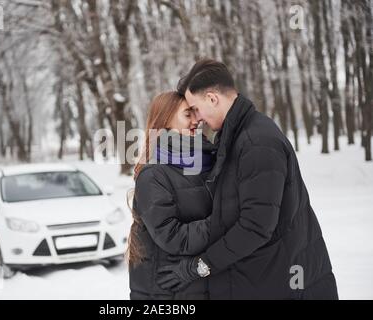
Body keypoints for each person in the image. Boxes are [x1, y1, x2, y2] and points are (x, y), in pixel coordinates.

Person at [156, 59, 339, 300]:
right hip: (265, 278)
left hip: (283, 284)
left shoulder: (257, 142)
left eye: (195, 108)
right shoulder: (237, 137)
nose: (197, 118)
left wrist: (200, 266)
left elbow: (255, 227)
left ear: (212, 98)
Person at [127, 91, 217, 299]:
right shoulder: (153, 174)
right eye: (187, 114)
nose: (196, 120)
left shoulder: (208, 162)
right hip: (166, 292)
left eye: (196, 112)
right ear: (165, 120)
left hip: (199, 286)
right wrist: (222, 222)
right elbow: (172, 236)